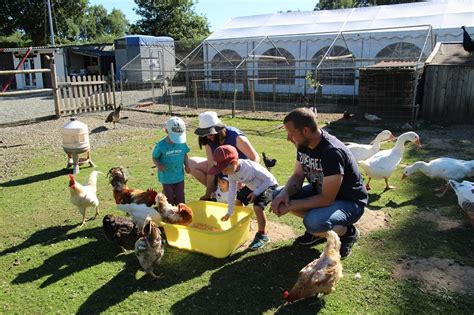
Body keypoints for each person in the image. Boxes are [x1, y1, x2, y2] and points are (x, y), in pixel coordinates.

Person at [270, 108, 368, 259]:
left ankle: (348, 233)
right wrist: (284, 195)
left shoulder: (332, 152)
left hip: (349, 201)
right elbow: (297, 175)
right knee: (277, 194)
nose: (288, 138)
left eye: (291, 133)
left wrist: (290, 205)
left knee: (314, 221)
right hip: (322, 192)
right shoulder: (303, 145)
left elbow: (326, 198)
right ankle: (320, 230)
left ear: (306, 130)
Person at [209, 145, 278, 250]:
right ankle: (241, 225)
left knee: (258, 207)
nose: (223, 173)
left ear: (234, 163)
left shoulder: (251, 167)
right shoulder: (231, 172)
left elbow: (269, 180)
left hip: (268, 185)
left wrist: (256, 193)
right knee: (238, 200)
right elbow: (232, 192)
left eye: (225, 169)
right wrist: (229, 212)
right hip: (253, 187)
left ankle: (263, 235)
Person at [188, 111, 260, 201]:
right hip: (222, 169)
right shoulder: (208, 140)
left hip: (239, 170)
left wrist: (243, 178)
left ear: (218, 130)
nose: (207, 137)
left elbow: (255, 158)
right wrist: (208, 193)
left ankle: (233, 195)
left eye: (210, 133)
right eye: (204, 135)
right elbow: (211, 165)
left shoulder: (235, 136)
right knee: (191, 163)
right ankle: (217, 193)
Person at [152, 117, 190, 205]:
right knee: (169, 199)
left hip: (179, 175)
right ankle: (169, 215)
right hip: (166, 177)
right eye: (174, 137)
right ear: (166, 131)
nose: (176, 140)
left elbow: (185, 154)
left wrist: (187, 165)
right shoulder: (160, 146)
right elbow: (155, 157)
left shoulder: (182, 143)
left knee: (180, 198)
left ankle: (181, 214)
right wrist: (159, 165)